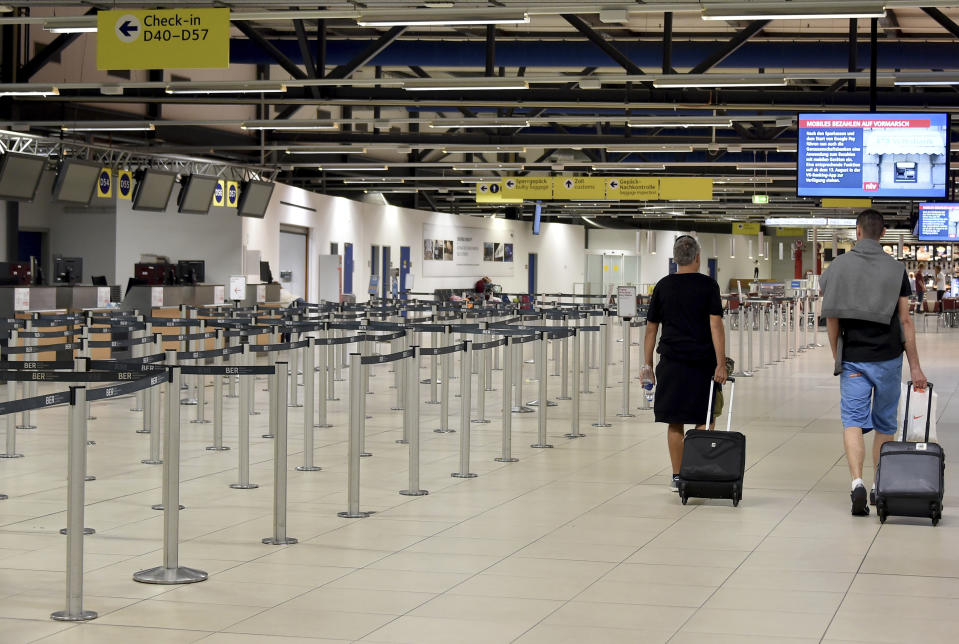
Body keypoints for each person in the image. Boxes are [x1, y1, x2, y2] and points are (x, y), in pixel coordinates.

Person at [820, 209, 926, 517]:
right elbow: (905, 320)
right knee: (884, 424)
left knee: (852, 422)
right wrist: (915, 366)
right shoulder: (896, 271)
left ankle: (856, 483)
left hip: (854, 359)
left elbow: (832, 320)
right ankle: (879, 485)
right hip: (889, 358)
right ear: (882, 235)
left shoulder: (837, 267)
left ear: (858, 231)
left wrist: (837, 355)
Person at [642, 235, 727, 492]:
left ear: (675, 259)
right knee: (706, 417)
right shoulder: (708, 286)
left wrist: (647, 366)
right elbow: (716, 326)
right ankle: (698, 470)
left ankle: (678, 476)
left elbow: (651, 330)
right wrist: (721, 363)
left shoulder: (663, 286)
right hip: (702, 364)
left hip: (671, 363)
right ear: (698, 258)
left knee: (675, 421)